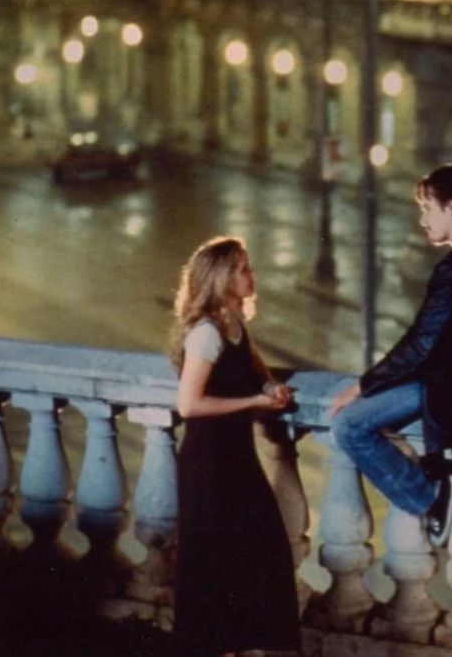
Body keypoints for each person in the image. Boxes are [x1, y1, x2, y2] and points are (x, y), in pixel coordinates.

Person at [329, 165, 452, 547]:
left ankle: (430, 497)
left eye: (427, 209)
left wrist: (361, 386)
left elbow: (420, 344)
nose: (422, 220)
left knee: (349, 427)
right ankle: (433, 491)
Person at [171, 236, 300, 657]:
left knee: (262, 555)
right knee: (215, 567)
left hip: (236, 461)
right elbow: (189, 404)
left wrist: (269, 387)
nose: (251, 274)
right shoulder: (206, 334)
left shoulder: (234, 324)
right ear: (223, 278)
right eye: (243, 268)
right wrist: (255, 401)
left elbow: (255, 366)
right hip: (208, 466)